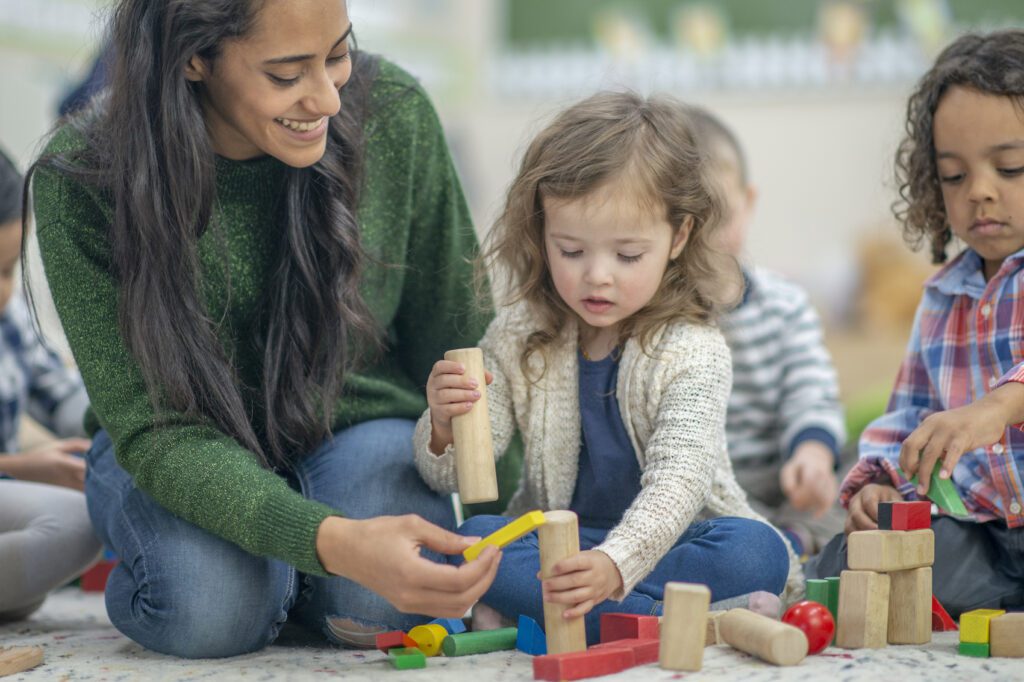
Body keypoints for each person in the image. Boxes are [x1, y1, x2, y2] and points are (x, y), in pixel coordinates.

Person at [28, 0, 501, 658]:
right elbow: (157, 428)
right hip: (179, 443)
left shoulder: (393, 112)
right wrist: (334, 541)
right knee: (207, 612)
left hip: (358, 426)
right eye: (286, 75)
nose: (329, 100)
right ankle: (285, 576)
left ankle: (301, 580)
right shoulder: (82, 178)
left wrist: (500, 546)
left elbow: (466, 342)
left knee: (380, 606)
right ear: (193, 58)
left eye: (338, 54)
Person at [414, 92, 801, 644]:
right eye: (571, 250)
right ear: (541, 229)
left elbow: (679, 484)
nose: (597, 276)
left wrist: (617, 566)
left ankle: (582, 615)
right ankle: (658, 620)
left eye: (626, 256)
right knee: (468, 539)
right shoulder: (520, 333)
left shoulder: (693, 348)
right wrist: (445, 428)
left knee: (758, 550)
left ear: (680, 236)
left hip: (671, 541)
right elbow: (457, 481)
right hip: (566, 549)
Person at [807, 30, 1024, 617]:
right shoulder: (941, 296)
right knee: (851, 563)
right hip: (980, 532)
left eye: (1011, 167)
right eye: (954, 176)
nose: (980, 191)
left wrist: (998, 406)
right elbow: (908, 414)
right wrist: (879, 483)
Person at [688, 108, 847, 559]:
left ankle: (792, 542)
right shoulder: (655, 318)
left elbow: (811, 388)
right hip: (702, 491)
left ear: (749, 202)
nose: (705, 237)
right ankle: (764, 550)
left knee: (865, 472)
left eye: (720, 215)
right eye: (688, 221)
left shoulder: (785, 304)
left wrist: (812, 452)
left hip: (782, 481)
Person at [0, 146, 100, 621]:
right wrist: (20, 467)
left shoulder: (9, 316)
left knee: (85, 513)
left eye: (8, 270)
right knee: (72, 523)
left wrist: (124, 421)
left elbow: (59, 392)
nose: (5, 292)